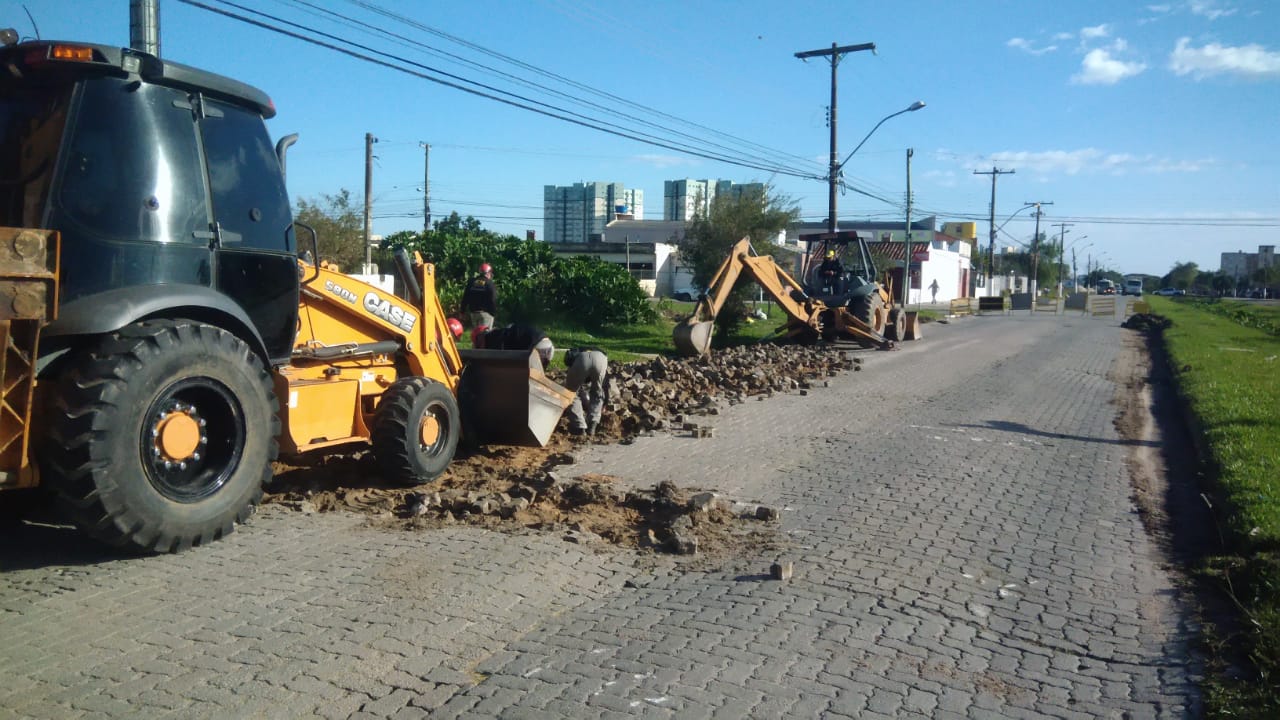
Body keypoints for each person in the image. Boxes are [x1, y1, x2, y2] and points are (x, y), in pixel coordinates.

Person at [563, 347, 609, 436]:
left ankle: (579, 427)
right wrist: (605, 402)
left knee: (571, 392)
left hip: (582, 359)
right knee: (597, 393)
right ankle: (593, 424)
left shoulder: (574, 354)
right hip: (601, 359)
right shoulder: (600, 354)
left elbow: (574, 381)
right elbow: (605, 385)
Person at [473, 322, 554, 368]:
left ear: (480, 338)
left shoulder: (493, 338)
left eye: (478, 346)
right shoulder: (504, 333)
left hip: (537, 348)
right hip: (549, 346)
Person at [460, 262, 497, 329]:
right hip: (486, 314)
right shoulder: (489, 283)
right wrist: (493, 313)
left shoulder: (472, 282)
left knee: (476, 335)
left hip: (473, 314)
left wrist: (462, 311)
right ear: (488, 273)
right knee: (485, 336)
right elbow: (493, 299)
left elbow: (465, 297)